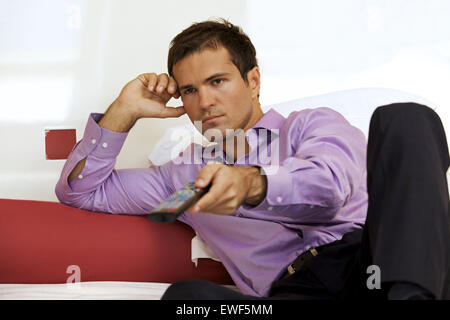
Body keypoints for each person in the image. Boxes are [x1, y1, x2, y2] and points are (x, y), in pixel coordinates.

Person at [55, 19, 450, 300]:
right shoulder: (181, 177)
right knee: (187, 298)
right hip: (287, 294)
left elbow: (330, 187)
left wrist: (250, 184)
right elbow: (82, 193)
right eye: (189, 90)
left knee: (405, 118)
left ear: (253, 81)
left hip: (371, 269)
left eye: (217, 81)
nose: (204, 102)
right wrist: (123, 110)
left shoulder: (311, 126)